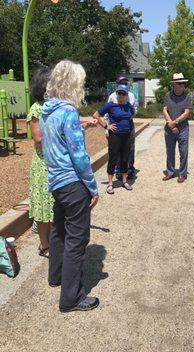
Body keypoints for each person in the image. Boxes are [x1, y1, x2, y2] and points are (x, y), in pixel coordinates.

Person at [40, 60, 99, 313]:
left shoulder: (46, 111)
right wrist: (93, 187)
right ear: (74, 84)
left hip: (55, 181)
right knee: (77, 238)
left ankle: (56, 276)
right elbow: (79, 156)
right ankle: (71, 298)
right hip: (72, 183)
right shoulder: (68, 112)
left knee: (59, 231)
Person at [26, 67, 53, 258]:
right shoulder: (36, 108)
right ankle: (44, 245)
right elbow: (39, 140)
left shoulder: (55, 107)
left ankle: (52, 241)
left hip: (55, 163)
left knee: (53, 205)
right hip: (44, 165)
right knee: (44, 208)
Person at [93, 84, 135, 194]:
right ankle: (110, 184)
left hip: (126, 135)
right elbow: (96, 115)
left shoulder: (129, 106)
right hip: (115, 136)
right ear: (116, 94)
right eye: (119, 93)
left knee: (125, 158)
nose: (121, 95)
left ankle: (124, 181)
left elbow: (132, 114)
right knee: (113, 158)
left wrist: (126, 124)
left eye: (123, 93)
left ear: (126, 95)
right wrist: (107, 126)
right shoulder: (110, 105)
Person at [105, 76, 137, 179]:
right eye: (121, 82)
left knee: (130, 148)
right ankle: (118, 170)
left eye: (126, 82)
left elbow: (135, 110)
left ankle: (130, 169)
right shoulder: (112, 96)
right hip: (115, 127)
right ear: (117, 84)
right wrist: (107, 127)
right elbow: (106, 114)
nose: (124, 84)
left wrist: (127, 119)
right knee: (116, 149)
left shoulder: (131, 95)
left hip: (128, 125)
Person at [162, 73, 192, 183]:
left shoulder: (187, 96)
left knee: (183, 152)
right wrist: (170, 123)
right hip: (169, 128)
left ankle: (182, 173)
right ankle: (170, 172)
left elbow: (187, 112)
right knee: (170, 151)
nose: (182, 85)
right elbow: (165, 110)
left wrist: (175, 122)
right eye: (179, 83)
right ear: (174, 84)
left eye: (183, 83)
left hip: (183, 128)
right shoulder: (167, 95)